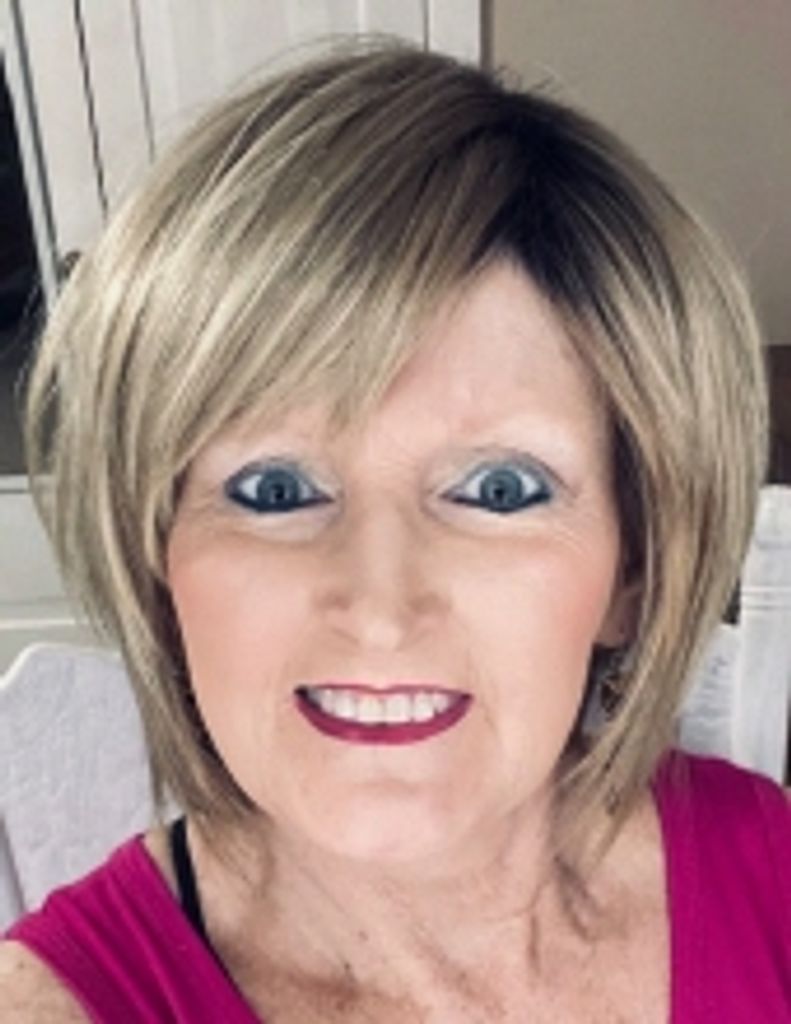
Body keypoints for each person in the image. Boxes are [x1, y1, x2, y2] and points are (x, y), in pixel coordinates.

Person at [1, 40, 789, 1022]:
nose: (379, 609)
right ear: (156, 556)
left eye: (499, 488)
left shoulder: (770, 867)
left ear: (631, 568)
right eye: (273, 488)